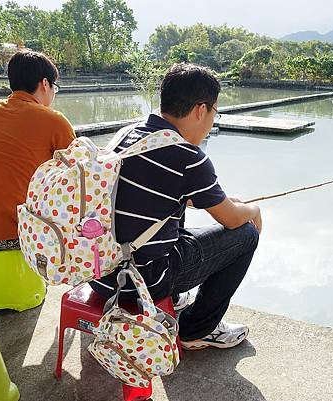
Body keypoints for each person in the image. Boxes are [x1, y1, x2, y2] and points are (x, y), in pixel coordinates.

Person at [90, 63, 261, 350]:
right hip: (141, 283)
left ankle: (177, 300)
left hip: (98, 272)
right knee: (246, 235)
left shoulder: (126, 136)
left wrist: (223, 201)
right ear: (200, 110)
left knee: (176, 217)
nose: (211, 122)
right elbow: (231, 220)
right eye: (214, 113)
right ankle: (197, 330)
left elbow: (158, 193)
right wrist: (252, 210)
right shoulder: (188, 157)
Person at [0, 50, 75, 251]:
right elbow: (79, 175)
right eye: (55, 87)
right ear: (45, 84)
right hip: (14, 236)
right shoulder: (54, 121)